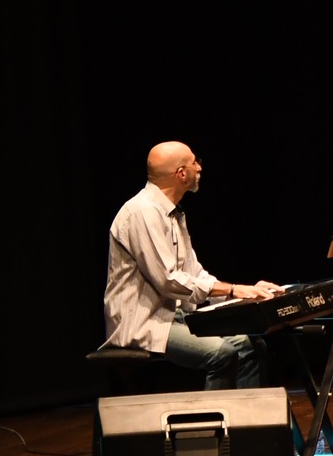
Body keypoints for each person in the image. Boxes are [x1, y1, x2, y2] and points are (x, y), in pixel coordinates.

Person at [101, 142, 284, 389]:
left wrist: (244, 293)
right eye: (195, 162)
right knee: (221, 353)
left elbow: (194, 273)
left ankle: (243, 424)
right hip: (145, 324)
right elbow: (169, 281)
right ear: (181, 173)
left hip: (176, 318)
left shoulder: (173, 214)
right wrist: (231, 289)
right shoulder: (142, 212)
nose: (199, 167)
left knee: (249, 345)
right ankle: (211, 426)